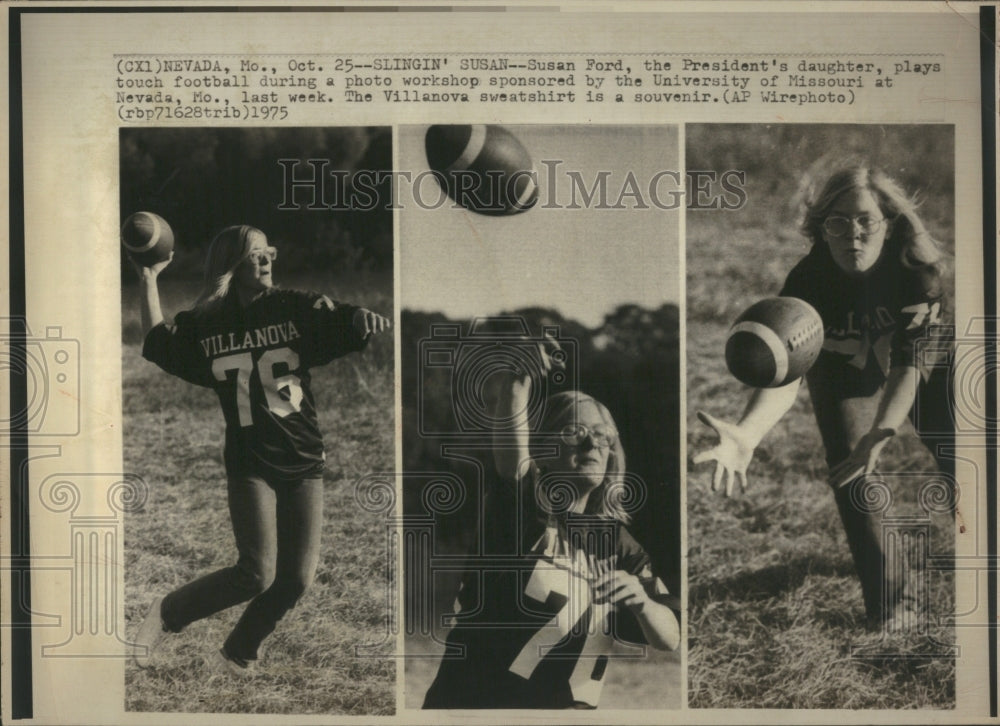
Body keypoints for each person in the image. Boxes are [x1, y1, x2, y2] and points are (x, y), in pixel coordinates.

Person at [694, 165, 954, 629]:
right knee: (851, 469)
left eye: (865, 220)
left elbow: (909, 366)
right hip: (847, 366)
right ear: (821, 228)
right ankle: (896, 604)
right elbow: (787, 370)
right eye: (838, 222)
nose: (852, 233)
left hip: (922, 362)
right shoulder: (807, 282)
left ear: (888, 223)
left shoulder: (919, 274)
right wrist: (748, 432)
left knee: (963, 450)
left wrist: (883, 430)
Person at [129, 224, 390, 673]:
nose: (268, 259)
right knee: (255, 573)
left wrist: (361, 316)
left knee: (295, 580)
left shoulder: (294, 305)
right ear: (233, 264)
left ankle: (237, 654)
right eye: (256, 254)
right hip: (250, 462)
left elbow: (343, 316)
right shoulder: (209, 322)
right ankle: (167, 613)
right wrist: (149, 278)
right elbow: (156, 343)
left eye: (270, 250)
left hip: (305, 458)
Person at [422, 339, 680, 709]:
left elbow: (669, 638)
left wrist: (642, 602)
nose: (591, 444)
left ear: (612, 453)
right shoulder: (524, 510)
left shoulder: (620, 543)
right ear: (541, 448)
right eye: (574, 433)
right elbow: (512, 457)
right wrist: (518, 377)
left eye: (602, 436)